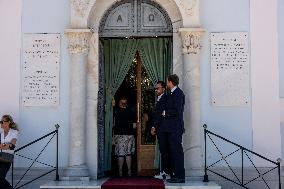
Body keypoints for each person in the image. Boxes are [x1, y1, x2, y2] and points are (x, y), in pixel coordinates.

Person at [162, 74, 185, 183]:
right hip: (170, 128)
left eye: (167, 81)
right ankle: (174, 175)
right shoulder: (171, 93)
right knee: (172, 152)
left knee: (177, 152)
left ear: (171, 82)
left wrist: (165, 113)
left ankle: (180, 177)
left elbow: (177, 111)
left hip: (175, 128)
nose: (166, 84)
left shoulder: (179, 94)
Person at [151, 81, 171, 180]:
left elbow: (160, 115)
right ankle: (165, 172)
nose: (156, 90)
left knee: (164, 151)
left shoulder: (165, 98)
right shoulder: (160, 98)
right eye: (155, 88)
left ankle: (166, 172)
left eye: (157, 88)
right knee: (163, 150)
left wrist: (154, 126)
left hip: (163, 129)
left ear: (163, 88)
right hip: (160, 128)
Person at [113, 98, 135, 177]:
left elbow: (114, 124)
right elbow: (134, 125)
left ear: (120, 103)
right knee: (128, 154)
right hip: (129, 135)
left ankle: (120, 172)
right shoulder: (131, 112)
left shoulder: (116, 111)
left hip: (120, 135)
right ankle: (129, 171)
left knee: (121, 154)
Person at [0, 115, 19, 189]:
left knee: (1, 178)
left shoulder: (14, 132)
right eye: (1, 122)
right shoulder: (0, 133)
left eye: (3, 122)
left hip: (7, 156)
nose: (1, 123)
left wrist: (4, 145)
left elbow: (11, 145)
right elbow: (6, 145)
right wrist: (6, 145)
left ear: (8, 122)